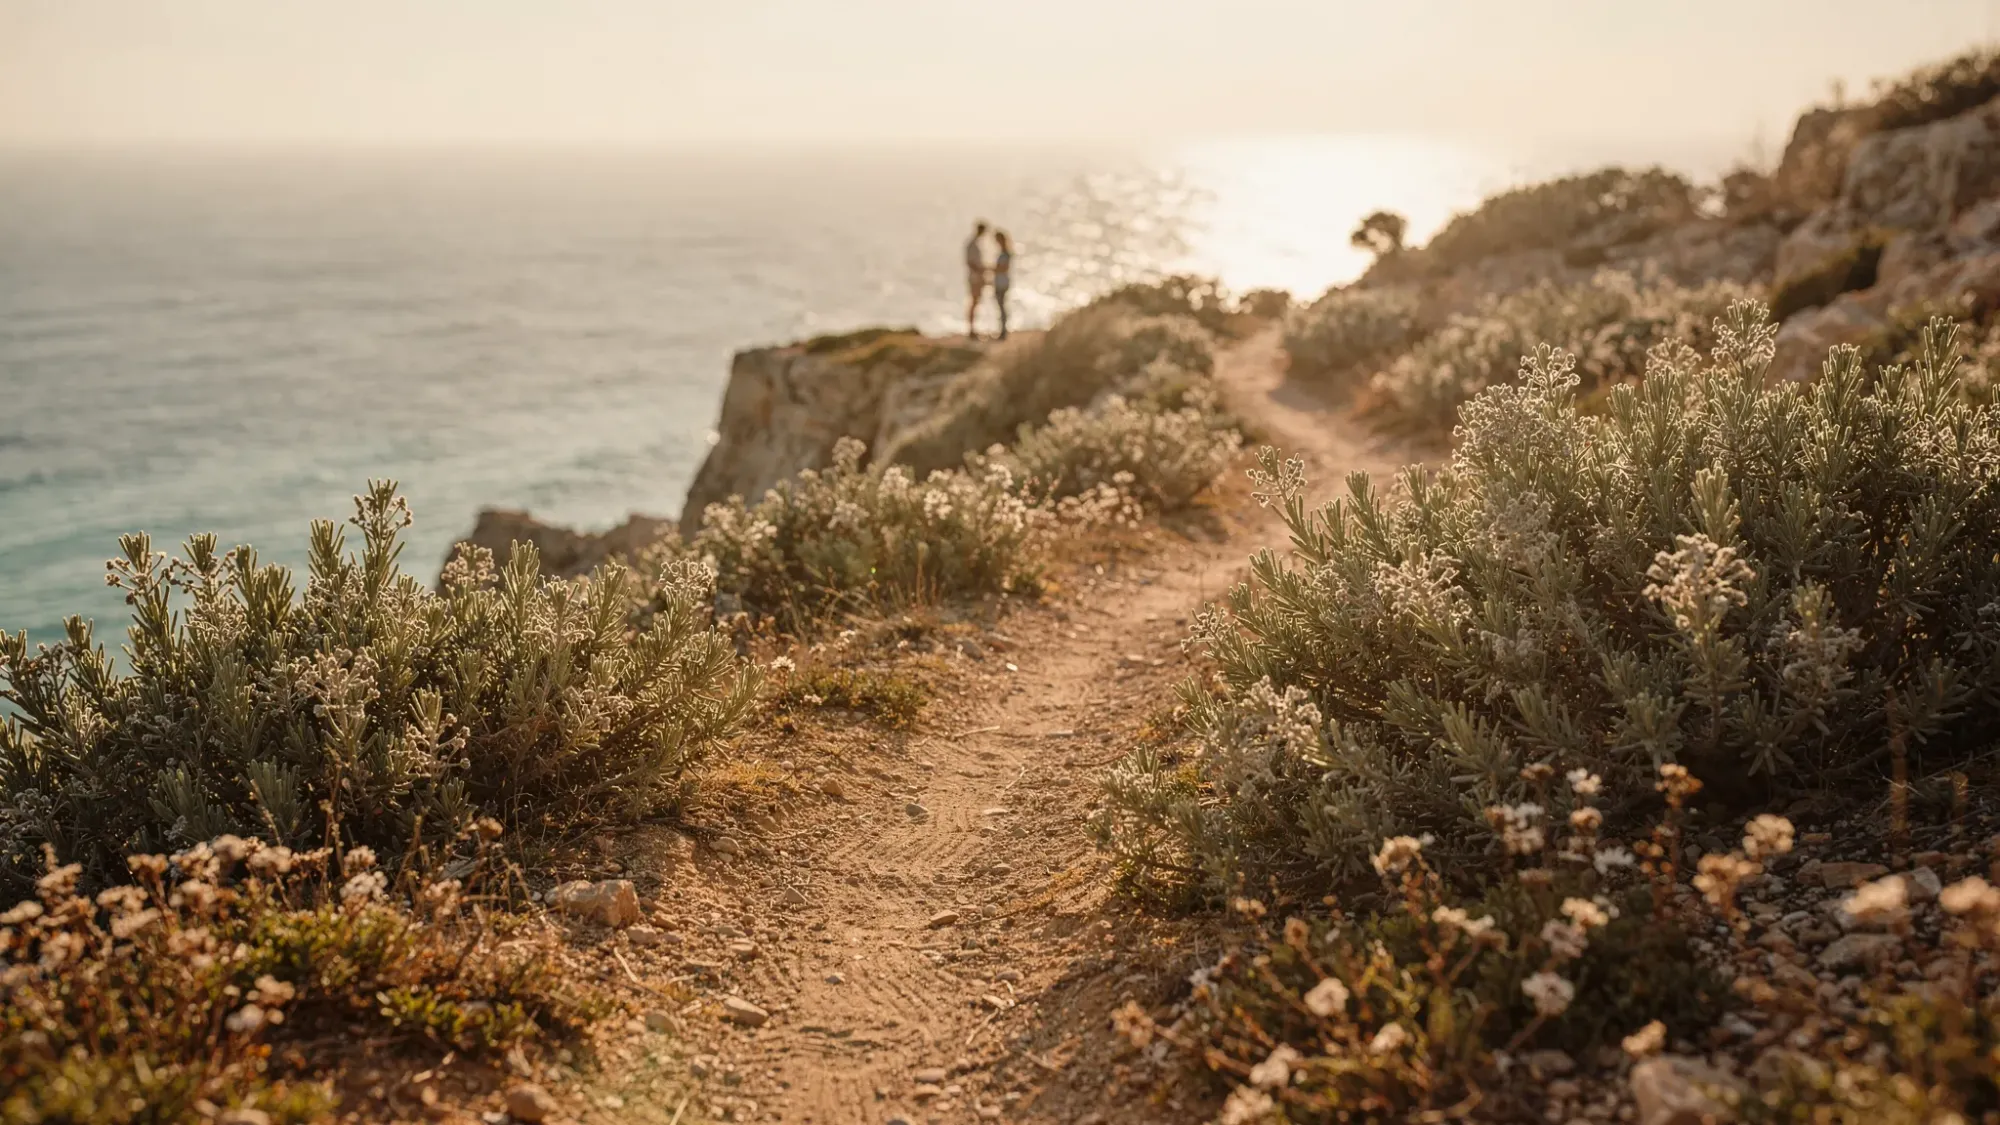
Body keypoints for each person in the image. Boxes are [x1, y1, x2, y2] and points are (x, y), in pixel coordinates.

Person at [964, 221, 988, 339]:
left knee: (976, 302)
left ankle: (973, 328)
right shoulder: (972, 244)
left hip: (977, 277)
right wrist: (981, 272)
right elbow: (970, 263)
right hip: (975, 278)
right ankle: (971, 329)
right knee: (974, 302)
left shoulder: (975, 244)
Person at [991, 230, 1013, 341]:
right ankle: (1002, 330)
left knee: (1001, 307)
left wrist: (993, 269)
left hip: (1002, 283)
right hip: (1000, 282)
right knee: (1001, 307)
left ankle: (1003, 331)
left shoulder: (1006, 253)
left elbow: (1004, 268)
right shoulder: (1003, 253)